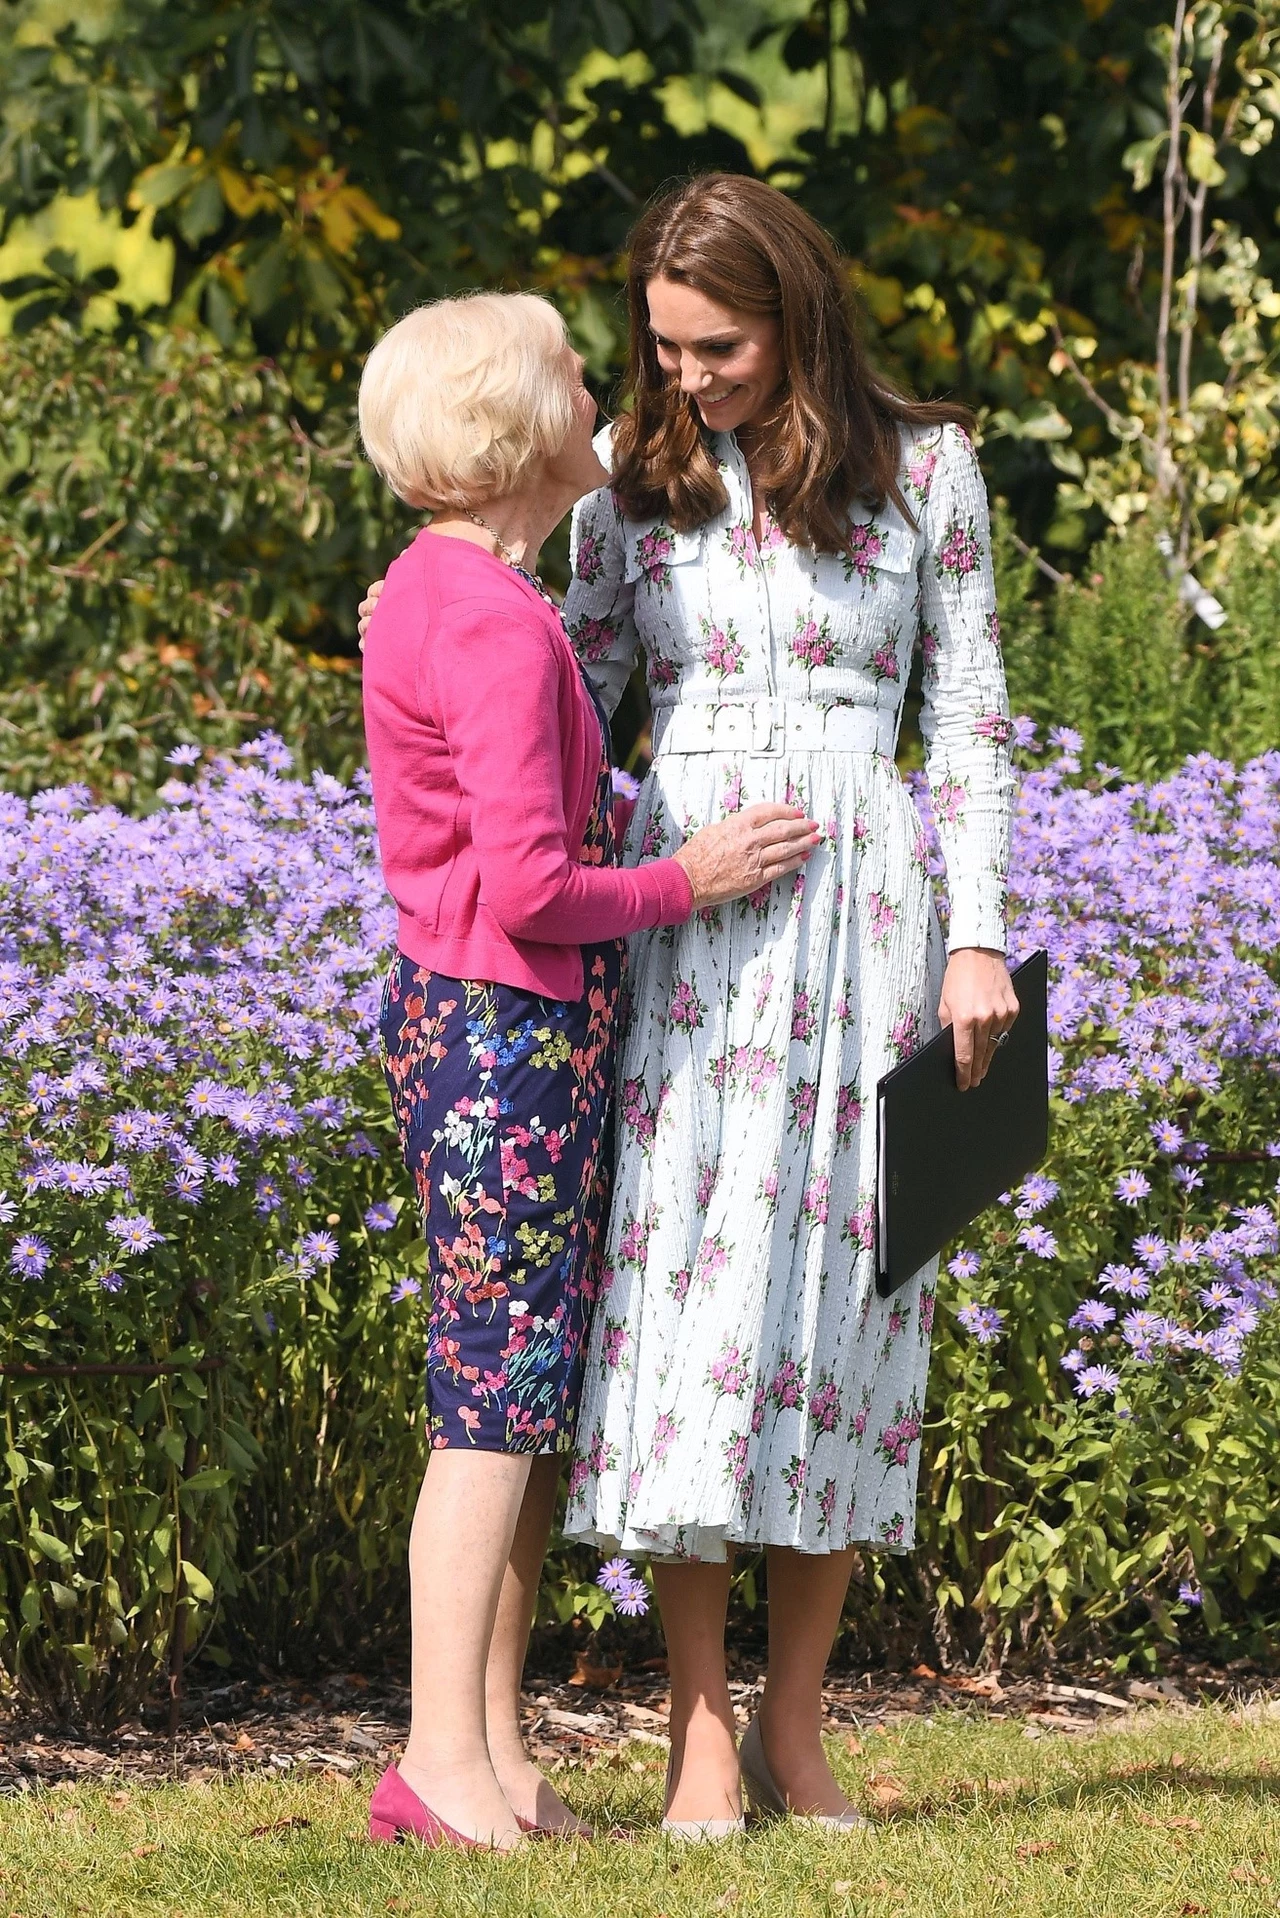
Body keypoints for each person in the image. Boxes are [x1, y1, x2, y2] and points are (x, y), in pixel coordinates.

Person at [555, 174, 1019, 1835]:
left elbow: (965, 721)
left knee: (844, 1310)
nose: (690, 375)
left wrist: (979, 939)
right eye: (666, 346)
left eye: (722, 343)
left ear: (798, 313)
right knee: (690, 1310)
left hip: (871, 918)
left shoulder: (929, 473)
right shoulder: (625, 488)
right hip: (693, 929)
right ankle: (693, 1727)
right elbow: (565, 694)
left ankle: (797, 1721)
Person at [355, 289, 817, 1851]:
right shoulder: (483, 618)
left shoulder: (441, 587)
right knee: (489, 1406)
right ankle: (435, 1762)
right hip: (505, 1029)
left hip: (477, 1017)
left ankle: (488, 1753)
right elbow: (538, 886)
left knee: (515, 1396)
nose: (603, 399)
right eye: (572, 378)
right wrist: (690, 875)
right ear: (511, 425)